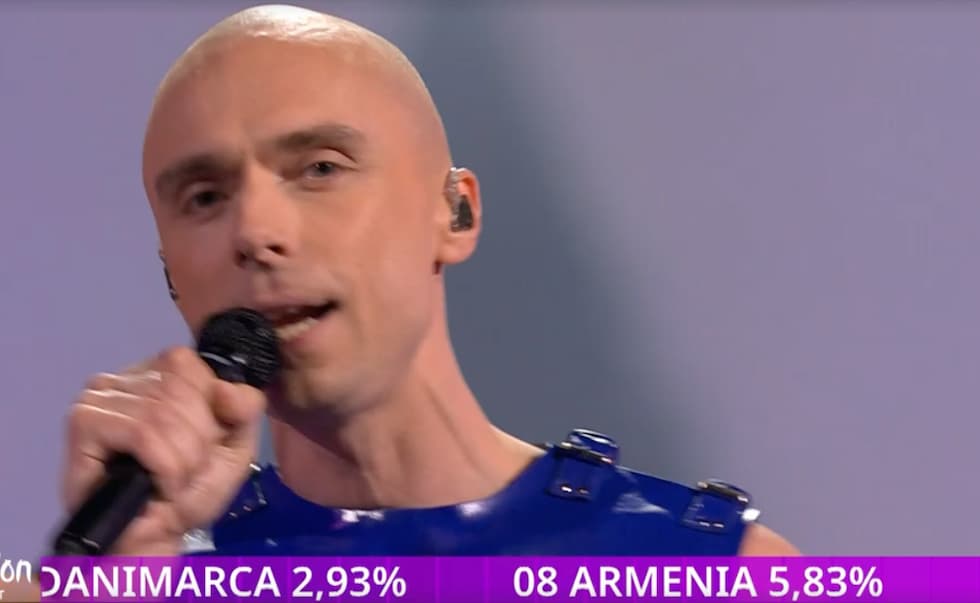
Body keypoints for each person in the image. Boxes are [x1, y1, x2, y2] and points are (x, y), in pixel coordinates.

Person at [50, 3, 798, 565]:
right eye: (206, 197)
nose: (254, 231)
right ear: (171, 275)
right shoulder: (133, 570)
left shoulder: (717, 571)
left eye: (319, 169)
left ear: (455, 213)